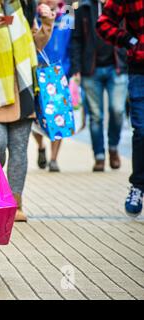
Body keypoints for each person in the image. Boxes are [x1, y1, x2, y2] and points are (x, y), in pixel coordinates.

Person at [0, 0, 55, 221]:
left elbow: (35, 45)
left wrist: (47, 23)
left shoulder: (23, 6)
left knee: (20, 150)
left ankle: (15, 204)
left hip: (23, 91)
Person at [96, 0, 144, 217]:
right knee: (142, 130)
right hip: (139, 70)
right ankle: (138, 186)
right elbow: (103, 23)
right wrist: (131, 41)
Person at [71, 0, 128, 172]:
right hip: (91, 69)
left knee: (117, 111)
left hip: (117, 67)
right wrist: (76, 69)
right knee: (95, 117)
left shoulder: (121, 6)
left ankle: (113, 147)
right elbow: (76, 40)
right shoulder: (84, 8)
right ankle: (99, 156)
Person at [33, 0, 74, 172]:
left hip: (60, 72)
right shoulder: (33, 14)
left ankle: (54, 159)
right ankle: (41, 146)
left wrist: (71, 69)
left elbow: (74, 43)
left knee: (59, 115)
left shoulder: (68, 14)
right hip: (37, 71)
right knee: (36, 116)